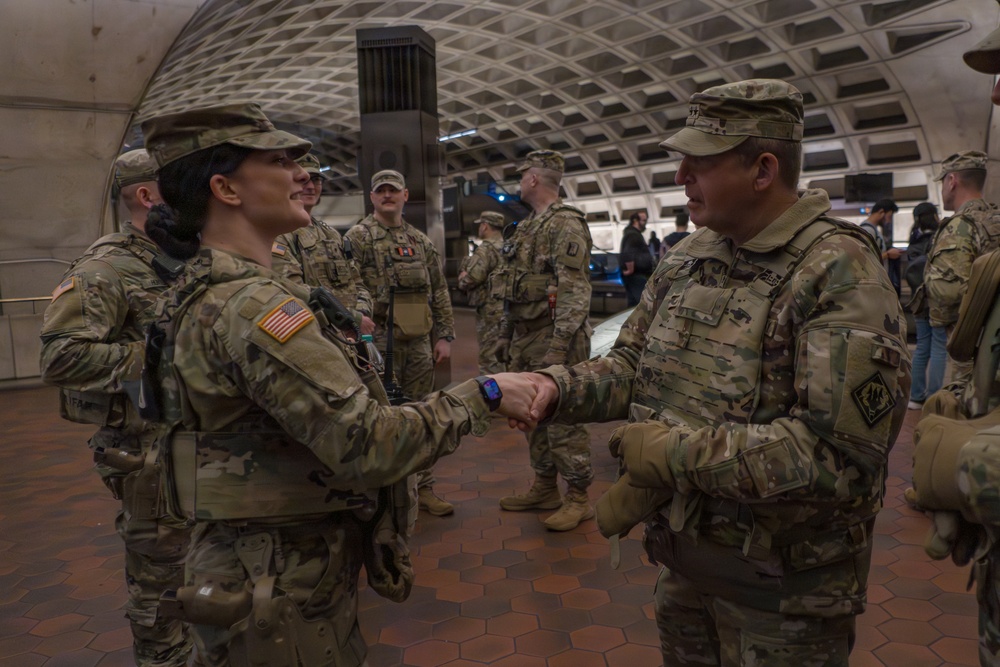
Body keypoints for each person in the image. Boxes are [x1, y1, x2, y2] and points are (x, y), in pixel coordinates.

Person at [508, 79, 911, 664]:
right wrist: (554, 387)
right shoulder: (692, 256)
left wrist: (671, 454)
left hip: (783, 596)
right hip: (687, 566)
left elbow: (838, 459)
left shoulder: (839, 270)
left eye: (699, 162)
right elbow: (632, 364)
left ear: (763, 170)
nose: (681, 176)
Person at [136, 102, 535, 667]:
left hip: (247, 562)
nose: (302, 175)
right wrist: (486, 394)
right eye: (280, 162)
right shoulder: (252, 308)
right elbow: (369, 445)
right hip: (277, 579)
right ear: (225, 189)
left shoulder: (201, 289)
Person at [39, 149, 194, 666]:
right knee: (161, 588)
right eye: (180, 184)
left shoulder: (187, 256)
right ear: (147, 195)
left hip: (201, 447)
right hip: (147, 455)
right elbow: (61, 356)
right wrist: (161, 357)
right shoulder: (105, 266)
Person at [909, 24, 1000, 666]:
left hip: (963, 344)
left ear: (951, 182)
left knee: (946, 412)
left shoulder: (961, 225)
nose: (994, 92)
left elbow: (943, 295)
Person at [492, 149, 595, 532]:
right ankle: (545, 487)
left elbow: (574, 290)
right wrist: (506, 333)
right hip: (526, 335)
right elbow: (511, 286)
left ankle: (578, 497)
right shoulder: (527, 227)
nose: (520, 183)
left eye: (523, 176)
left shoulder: (565, 223)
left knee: (564, 416)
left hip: (555, 337)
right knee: (530, 413)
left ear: (533, 179)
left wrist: (558, 346)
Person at [344, 169, 457, 517]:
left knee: (422, 411)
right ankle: (387, 492)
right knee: (381, 414)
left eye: (393, 190)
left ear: (405, 195)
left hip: (419, 342)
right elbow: (346, 285)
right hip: (378, 342)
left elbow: (439, 289)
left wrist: (445, 336)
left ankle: (424, 487)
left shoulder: (420, 241)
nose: (387, 195)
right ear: (372, 197)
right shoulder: (358, 237)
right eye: (381, 190)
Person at [270, 153, 375, 335]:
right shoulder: (279, 232)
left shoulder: (331, 234)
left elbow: (357, 283)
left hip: (348, 336)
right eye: (304, 180)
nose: (311, 186)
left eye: (316, 180)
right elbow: (292, 290)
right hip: (315, 335)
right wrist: (351, 319)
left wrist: (362, 313)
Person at [925, 150, 1000, 389]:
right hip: (995, 334)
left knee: (967, 402)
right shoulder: (995, 218)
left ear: (952, 181)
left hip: (971, 343)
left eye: (942, 183)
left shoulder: (959, 226)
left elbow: (947, 292)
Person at [905, 202, 946, 410]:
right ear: (934, 216)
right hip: (938, 298)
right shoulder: (941, 238)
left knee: (922, 347)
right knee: (939, 346)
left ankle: (915, 397)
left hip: (919, 299)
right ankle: (933, 398)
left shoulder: (913, 241)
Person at [458, 211, 507, 374]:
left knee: (488, 357)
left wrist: (463, 277)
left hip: (490, 310)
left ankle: (492, 388)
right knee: (505, 353)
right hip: (508, 308)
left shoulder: (486, 249)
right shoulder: (507, 246)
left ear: (485, 226)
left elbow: (473, 277)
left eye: (480, 225)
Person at [859, 198, 902, 296]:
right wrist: (888, 254)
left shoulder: (873, 230)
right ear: (881, 212)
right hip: (872, 284)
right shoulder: (868, 230)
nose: (889, 221)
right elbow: (864, 259)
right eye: (889, 216)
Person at [620, 210, 654, 307]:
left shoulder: (632, 233)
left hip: (635, 275)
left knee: (633, 303)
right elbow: (628, 253)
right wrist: (630, 270)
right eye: (643, 221)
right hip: (637, 275)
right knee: (640, 304)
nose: (645, 223)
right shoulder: (633, 235)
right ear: (635, 221)